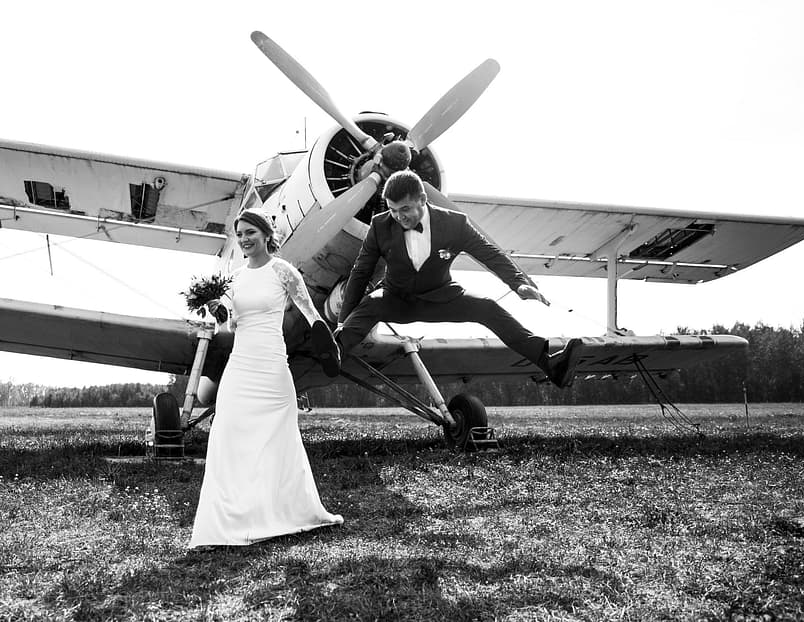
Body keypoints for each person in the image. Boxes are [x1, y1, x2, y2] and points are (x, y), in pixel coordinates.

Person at [336, 168, 582, 388]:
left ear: (423, 200)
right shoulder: (380, 225)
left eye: (405, 209)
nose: (399, 217)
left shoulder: (455, 224)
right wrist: (342, 321)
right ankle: (334, 351)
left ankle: (551, 365)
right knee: (370, 304)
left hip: (442, 297)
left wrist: (519, 284)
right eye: (393, 210)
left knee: (488, 307)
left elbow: (490, 254)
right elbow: (361, 271)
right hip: (396, 298)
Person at [188, 209, 343, 547]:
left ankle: (288, 512)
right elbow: (228, 327)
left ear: (265, 234)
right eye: (240, 234)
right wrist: (219, 313)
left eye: (250, 232)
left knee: (279, 440)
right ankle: (228, 521)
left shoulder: (283, 271)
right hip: (240, 366)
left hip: (273, 366)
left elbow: (312, 314)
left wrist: (327, 345)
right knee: (226, 435)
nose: (244, 239)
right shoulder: (235, 277)